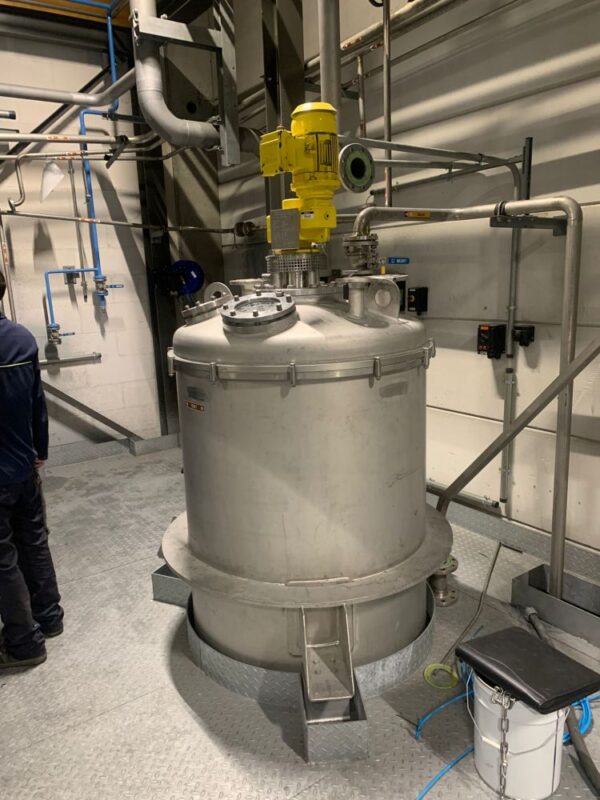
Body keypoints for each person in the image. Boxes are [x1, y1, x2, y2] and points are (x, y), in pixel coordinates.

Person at [0, 269, 63, 668]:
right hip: (24, 466)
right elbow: (37, 403)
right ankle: (50, 618)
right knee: (34, 542)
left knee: (3, 560)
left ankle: (24, 644)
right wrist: (39, 450)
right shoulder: (22, 338)